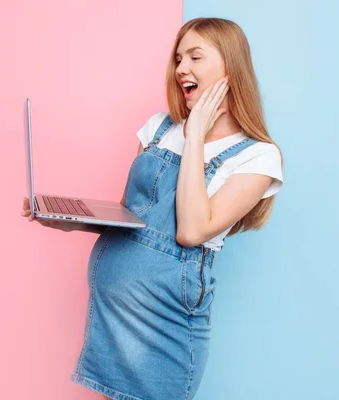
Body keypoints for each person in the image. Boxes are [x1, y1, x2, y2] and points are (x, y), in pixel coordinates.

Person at [21, 17, 283, 400]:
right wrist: (71, 221)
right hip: (111, 317)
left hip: (167, 320)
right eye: (178, 58)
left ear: (231, 68)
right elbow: (136, 219)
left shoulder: (257, 157)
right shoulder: (159, 128)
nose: (181, 69)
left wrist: (195, 137)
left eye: (195, 57)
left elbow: (191, 231)